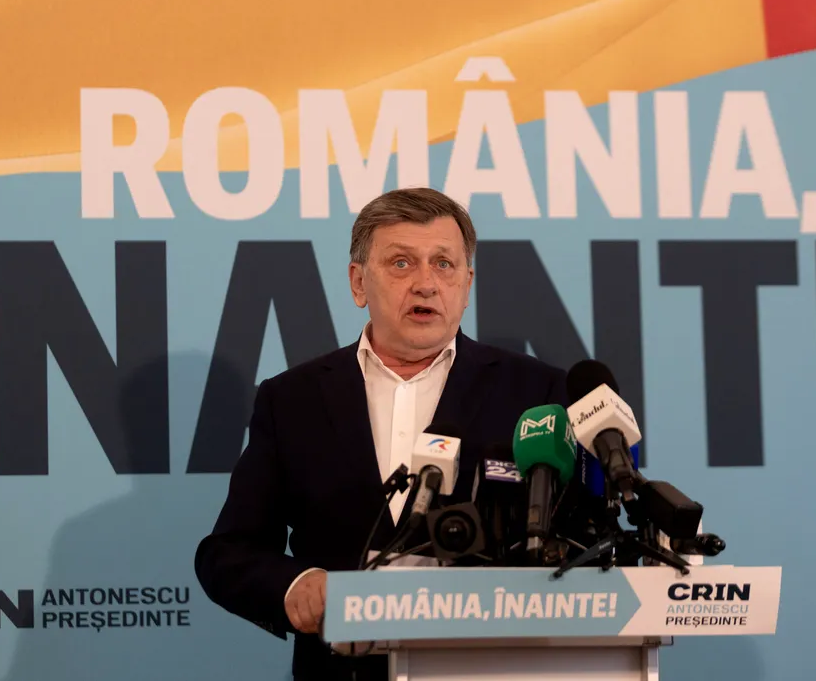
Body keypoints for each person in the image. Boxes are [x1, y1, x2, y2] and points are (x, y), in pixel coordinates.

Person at [194, 187, 569, 680]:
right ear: (358, 283)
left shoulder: (537, 393)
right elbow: (228, 553)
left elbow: (584, 542)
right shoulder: (292, 400)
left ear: (466, 284)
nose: (425, 284)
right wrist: (296, 584)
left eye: (443, 264)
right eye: (401, 263)